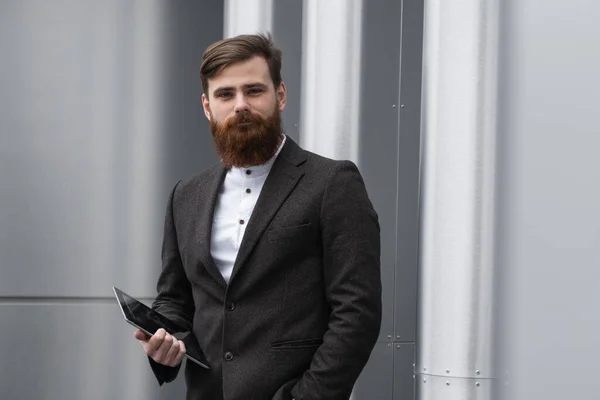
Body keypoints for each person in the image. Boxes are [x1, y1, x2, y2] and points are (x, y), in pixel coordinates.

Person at [134, 33, 382, 400]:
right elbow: (175, 298)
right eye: (225, 94)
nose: (240, 105)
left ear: (280, 95)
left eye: (254, 91)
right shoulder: (185, 195)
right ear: (207, 106)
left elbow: (357, 313)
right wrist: (163, 341)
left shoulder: (332, 183)